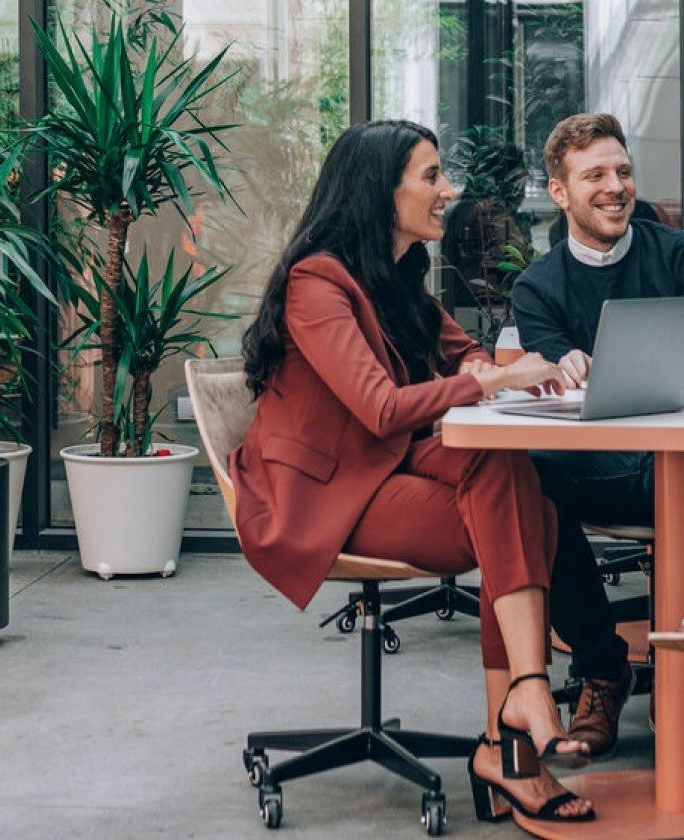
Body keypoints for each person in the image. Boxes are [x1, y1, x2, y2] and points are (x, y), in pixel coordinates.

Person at [230, 119, 594, 823]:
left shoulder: (396, 279)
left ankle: (517, 714)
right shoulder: (317, 283)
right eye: (431, 177)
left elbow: (464, 356)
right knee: (522, 522)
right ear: (379, 191)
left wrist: (526, 369)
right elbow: (380, 407)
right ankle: (515, 731)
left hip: (384, 465)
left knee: (513, 485)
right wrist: (489, 384)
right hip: (318, 493)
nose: (447, 191)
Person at [510, 112, 684, 758]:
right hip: (601, 471)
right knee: (524, 480)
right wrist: (561, 369)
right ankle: (600, 666)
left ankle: (683, 655)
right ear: (560, 193)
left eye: (622, 171)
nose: (615, 187)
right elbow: (544, 369)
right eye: (595, 175)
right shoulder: (538, 288)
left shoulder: (682, 255)